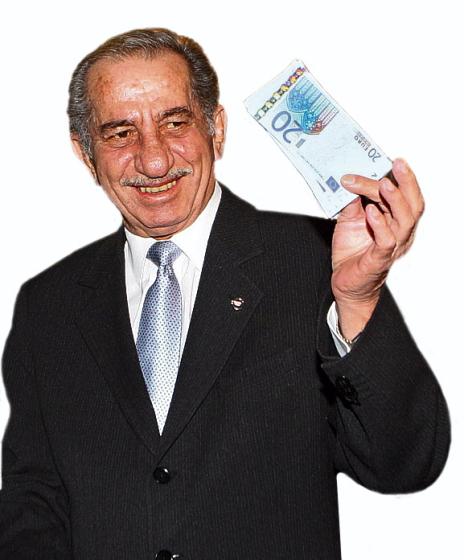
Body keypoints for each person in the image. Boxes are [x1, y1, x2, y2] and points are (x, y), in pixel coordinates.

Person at [0, 28, 450, 560]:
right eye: (121, 133)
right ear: (85, 153)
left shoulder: (315, 265)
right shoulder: (47, 305)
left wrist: (358, 299)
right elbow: (34, 502)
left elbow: (406, 464)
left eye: (175, 123)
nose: (153, 161)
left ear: (216, 129)